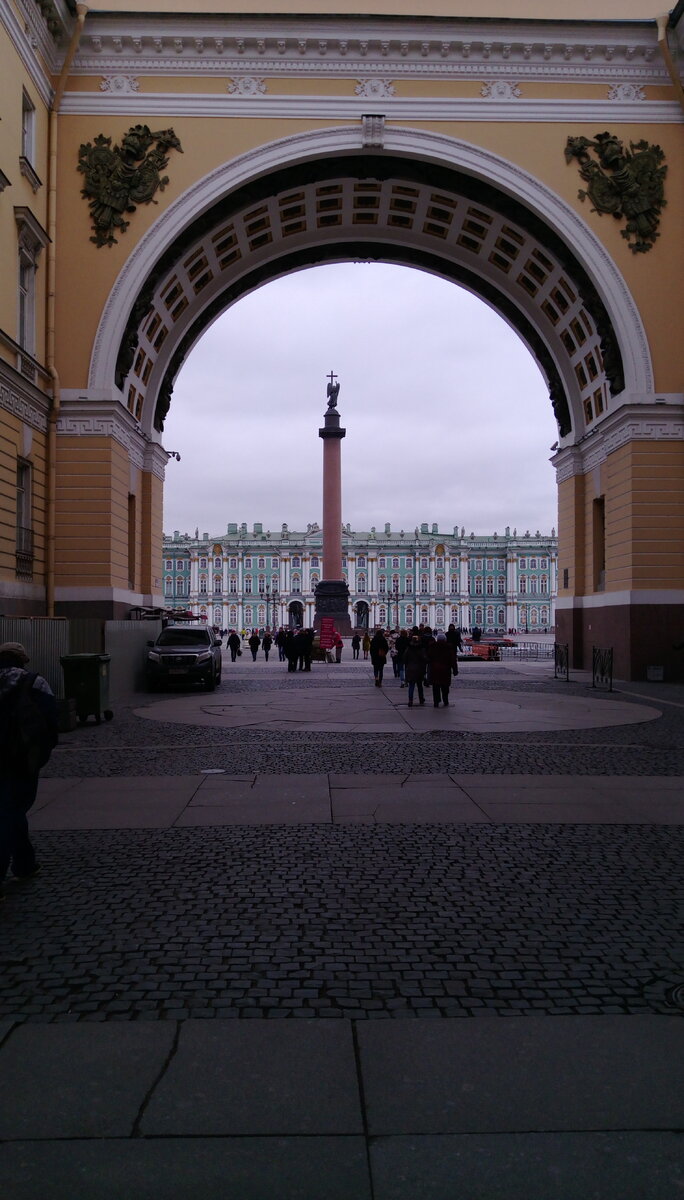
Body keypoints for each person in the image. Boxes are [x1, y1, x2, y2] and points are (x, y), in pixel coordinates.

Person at [0, 643, 58, 897]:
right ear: (23, 660)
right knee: (13, 812)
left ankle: (24, 863)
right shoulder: (35, 683)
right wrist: (39, 755)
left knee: (10, 813)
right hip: (21, 758)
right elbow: (50, 724)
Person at [428, 630, 455, 707]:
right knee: (445, 686)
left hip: (435, 669)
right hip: (445, 670)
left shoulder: (433, 647)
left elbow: (429, 657)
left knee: (435, 686)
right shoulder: (448, 648)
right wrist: (455, 669)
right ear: (445, 639)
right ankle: (445, 700)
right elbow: (452, 659)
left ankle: (436, 701)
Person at [403, 635, 427, 707]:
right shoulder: (421, 649)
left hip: (410, 669)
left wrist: (407, 664)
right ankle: (421, 699)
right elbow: (424, 658)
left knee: (411, 685)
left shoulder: (408, 649)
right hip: (419, 669)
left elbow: (404, 658)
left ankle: (410, 700)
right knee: (420, 685)